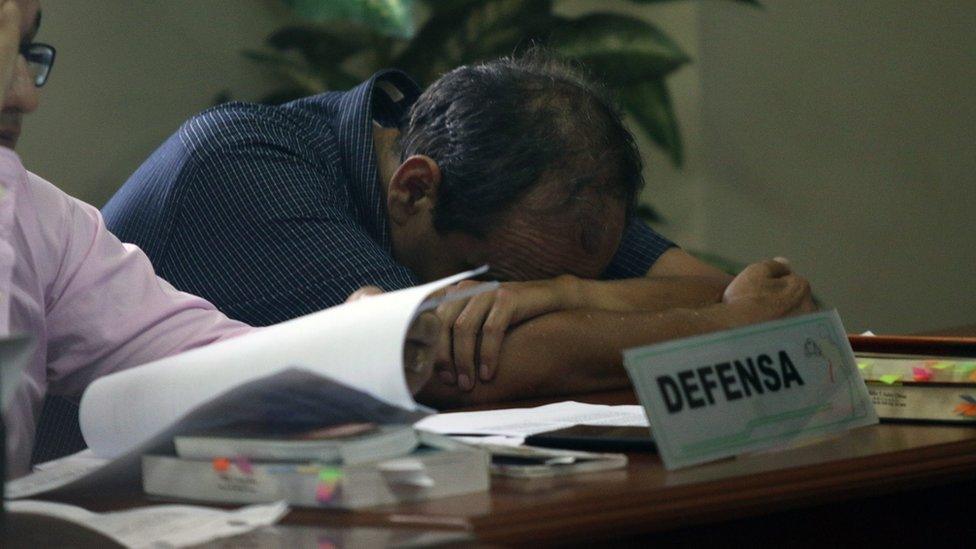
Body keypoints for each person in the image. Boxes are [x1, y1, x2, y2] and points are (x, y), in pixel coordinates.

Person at [103, 48, 817, 406]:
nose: (513, 302)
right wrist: (730, 331)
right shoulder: (244, 168)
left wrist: (575, 294)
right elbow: (471, 365)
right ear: (416, 187)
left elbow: (717, 287)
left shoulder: (537, 205)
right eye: (499, 286)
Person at [0, 0, 438, 477]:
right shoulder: (243, 159)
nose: (26, 96)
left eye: (27, 49)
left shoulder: (37, 215)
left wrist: (347, 347)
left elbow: (209, 371)